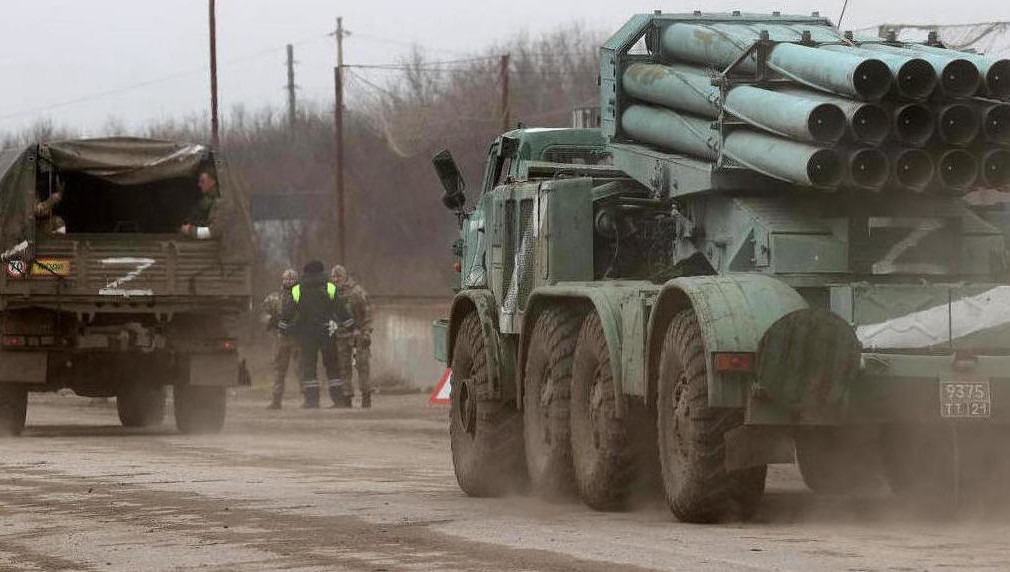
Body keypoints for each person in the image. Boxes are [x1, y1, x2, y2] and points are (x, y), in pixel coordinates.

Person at [279, 261, 354, 409]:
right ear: (322, 271)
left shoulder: (297, 289)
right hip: (328, 330)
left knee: (309, 366)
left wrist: (282, 328)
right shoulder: (330, 287)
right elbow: (340, 308)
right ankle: (338, 399)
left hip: (306, 332)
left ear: (305, 272)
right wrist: (351, 326)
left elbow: (288, 311)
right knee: (332, 365)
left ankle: (312, 400)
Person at [330, 264, 373, 408]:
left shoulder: (357, 292)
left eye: (338, 276)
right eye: (334, 277)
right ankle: (347, 397)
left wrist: (366, 332)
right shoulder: (332, 293)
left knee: (362, 366)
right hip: (341, 336)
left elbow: (367, 312)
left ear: (345, 277)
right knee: (344, 368)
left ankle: (366, 397)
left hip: (358, 335)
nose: (336, 280)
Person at [260, 268, 299, 410]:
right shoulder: (274, 298)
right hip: (280, 339)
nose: (288, 281)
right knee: (279, 370)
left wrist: (295, 324)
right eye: (286, 279)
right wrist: (271, 321)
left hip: (296, 338)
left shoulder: (300, 296)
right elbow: (263, 315)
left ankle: (308, 399)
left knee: (300, 368)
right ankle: (276, 400)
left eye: (291, 279)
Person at [180, 169, 220, 240]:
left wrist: (190, 231)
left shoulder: (222, 202)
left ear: (212, 182)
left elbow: (213, 232)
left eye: (202, 181)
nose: (199, 184)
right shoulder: (206, 201)